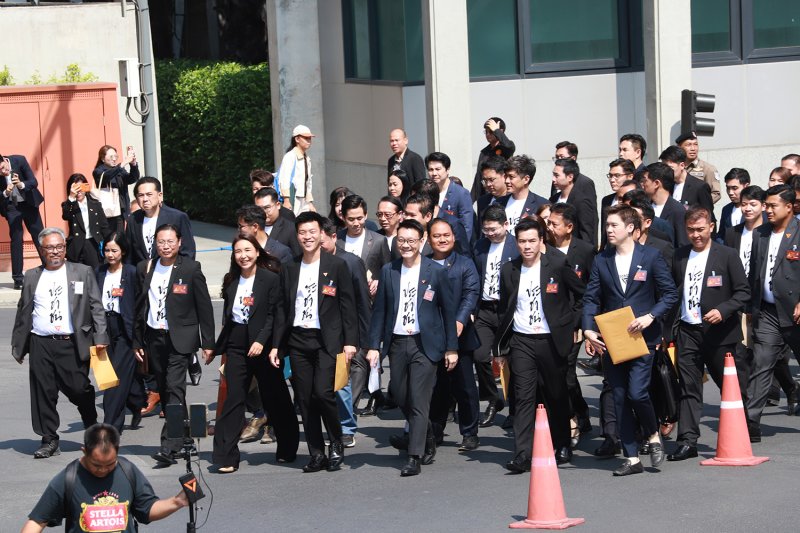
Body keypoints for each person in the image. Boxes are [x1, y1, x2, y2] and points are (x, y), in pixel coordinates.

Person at [583, 205, 678, 476]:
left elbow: (669, 294)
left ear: (631, 229)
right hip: (613, 339)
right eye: (607, 225)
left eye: (614, 225)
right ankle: (632, 458)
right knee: (621, 397)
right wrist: (589, 328)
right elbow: (591, 298)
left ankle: (652, 433)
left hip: (643, 338)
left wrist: (651, 317)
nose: (608, 230)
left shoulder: (651, 257)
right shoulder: (602, 260)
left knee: (637, 392)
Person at [366, 219, 459, 476]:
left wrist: (451, 348)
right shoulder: (389, 270)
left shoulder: (435, 272)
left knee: (418, 398)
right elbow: (380, 311)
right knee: (400, 394)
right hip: (397, 342)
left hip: (424, 344)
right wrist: (374, 345)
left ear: (422, 242)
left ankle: (414, 456)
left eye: (411, 241)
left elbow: (448, 312)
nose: (406, 245)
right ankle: (427, 431)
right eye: (401, 240)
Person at [494, 217, 585, 472]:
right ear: (516, 243)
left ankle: (562, 443)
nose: (527, 246)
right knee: (522, 397)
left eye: (532, 241)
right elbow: (504, 310)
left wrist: (573, 324)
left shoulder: (556, 264)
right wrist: (500, 348)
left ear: (541, 241)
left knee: (556, 394)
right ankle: (522, 454)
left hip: (552, 340)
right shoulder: (509, 270)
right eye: (522, 241)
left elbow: (581, 294)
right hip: (522, 341)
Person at [271, 211, 358, 473]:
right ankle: (316, 452)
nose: (307, 237)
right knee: (305, 400)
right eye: (302, 233)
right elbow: (282, 309)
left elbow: (348, 307)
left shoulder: (336, 266)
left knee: (323, 393)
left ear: (321, 234)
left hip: (327, 341)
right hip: (298, 340)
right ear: (297, 236)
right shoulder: (289, 267)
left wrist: (350, 342)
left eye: (312, 232)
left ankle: (336, 443)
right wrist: (276, 345)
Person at [11, 227, 109, 458]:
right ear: (41, 250)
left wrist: (101, 337)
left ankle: (90, 417)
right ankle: (49, 439)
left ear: (65, 248)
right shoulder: (32, 276)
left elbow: (96, 307)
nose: (55, 252)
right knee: (43, 392)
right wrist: (19, 345)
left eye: (59, 247)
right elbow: (23, 311)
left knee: (79, 388)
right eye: (49, 248)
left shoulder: (81, 272)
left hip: (71, 342)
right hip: (40, 342)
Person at [664, 206, 750, 461]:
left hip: (720, 333)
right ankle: (688, 441)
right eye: (691, 230)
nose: (696, 235)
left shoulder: (727, 255)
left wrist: (723, 310)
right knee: (689, 387)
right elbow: (672, 292)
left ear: (711, 226)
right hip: (688, 332)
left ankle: (742, 430)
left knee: (731, 387)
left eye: (701, 229)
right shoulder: (679, 256)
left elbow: (744, 292)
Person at [209, 235, 299, 473]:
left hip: (265, 344)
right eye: (238, 251)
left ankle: (288, 448)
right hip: (237, 344)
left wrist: (261, 341)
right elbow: (228, 319)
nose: (243, 256)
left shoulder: (270, 279)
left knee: (275, 397)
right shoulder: (231, 281)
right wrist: (217, 348)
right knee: (234, 399)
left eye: (248, 250)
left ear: (258, 252)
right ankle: (226, 456)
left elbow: (274, 314)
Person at [133, 224, 215, 466]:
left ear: (179, 242)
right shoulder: (145, 268)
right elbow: (139, 308)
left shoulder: (190, 268)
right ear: (154, 244)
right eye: (161, 242)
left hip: (181, 338)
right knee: (165, 389)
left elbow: (204, 307)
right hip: (154, 338)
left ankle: (170, 445)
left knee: (175, 388)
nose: (165, 246)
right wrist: (137, 340)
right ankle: (184, 434)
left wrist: (207, 342)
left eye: (170, 241)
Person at [21, 424, 188, 533]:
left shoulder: (128, 471)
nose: (102, 470)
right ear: (84, 451)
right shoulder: (68, 478)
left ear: (117, 451)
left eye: (109, 464)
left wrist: (177, 501)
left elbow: (148, 509)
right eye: (96, 464)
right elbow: (36, 521)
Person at [745, 184, 800, 441]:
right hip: (767, 312)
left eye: (772, 205)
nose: (767, 210)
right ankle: (751, 421)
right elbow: (754, 273)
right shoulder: (761, 234)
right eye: (765, 205)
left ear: (789, 207)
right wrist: (749, 307)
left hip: (796, 313)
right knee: (761, 362)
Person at [426, 218, 481, 451]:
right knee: (437, 387)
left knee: (465, 386)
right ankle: (435, 430)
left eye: (446, 235)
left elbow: (471, 294)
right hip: (431, 336)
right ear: (429, 239)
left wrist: (458, 321)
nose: (442, 239)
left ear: (454, 236)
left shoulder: (465, 264)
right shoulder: (424, 265)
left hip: (461, 335)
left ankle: (469, 432)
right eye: (437, 236)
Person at [320, 217, 372, 447]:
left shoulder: (350, 262)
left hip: (343, 334)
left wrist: (363, 337)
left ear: (333, 237)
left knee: (341, 383)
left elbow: (362, 301)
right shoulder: (308, 262)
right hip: (316, 334)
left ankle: (346, 428)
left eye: (320, 242)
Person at [546, 202, 595, 438]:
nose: (549, 228)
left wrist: (583, 325)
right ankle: (576, 412)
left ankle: (575, 416)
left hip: (574, 323)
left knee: (567, 373)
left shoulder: (585, 251)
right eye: (548, 223)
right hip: (550, 323)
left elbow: (589, 292)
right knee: (558, 374)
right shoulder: (544, 250)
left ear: (569, 227)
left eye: (554, 224)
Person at [472, 204, 519, 428]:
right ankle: (494, 399)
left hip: (508, 309)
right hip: (484, 309)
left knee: (512, 361)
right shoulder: (480, 246)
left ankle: (515, 408)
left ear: (506, 225)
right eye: (486, 230)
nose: (490, 234)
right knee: (480, 355)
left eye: (494, 229)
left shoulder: (516, 246)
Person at [95, 233, 144, 433]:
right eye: (107, 250)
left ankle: (110, 428)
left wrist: (139, 336)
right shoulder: (97, 272)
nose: (110, 254)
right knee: (108, 376)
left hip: (125, 330)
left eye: (114, 250)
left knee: (113, 382)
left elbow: (140, 305)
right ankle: (137, 400)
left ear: (123, 251)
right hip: (102, 329)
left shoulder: (131, 273)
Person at [125, 177, 196, 266]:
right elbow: (129, 256)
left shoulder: (177, 217)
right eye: (141, 195)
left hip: (171, 274)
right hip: (142, 276)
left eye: (149, 194)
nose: (145, 199)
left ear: (160, 195)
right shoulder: (133, 219)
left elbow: (188, 252)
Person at [0, 152, 44, 290]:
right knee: (16, 240)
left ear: (4, 160)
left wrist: (20, 184)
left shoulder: (19, 160)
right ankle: (18, 278)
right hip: (12, 207)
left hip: (28, 203)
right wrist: (5, 192)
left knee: (40, 237)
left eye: (2, 167)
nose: (3, 171)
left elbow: (33, 182)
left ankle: (49, 268)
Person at [337, 194, 391, 298]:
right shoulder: (337, 240)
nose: (356, 223)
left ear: (366, 215)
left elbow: (388, 271)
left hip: (370, 300)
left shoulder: (378, 241)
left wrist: (379, 282)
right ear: (343, 218)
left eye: (359, 218)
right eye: (351, 219)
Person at [61, 173, 112, 269]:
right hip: (76, 246)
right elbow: (66, 216)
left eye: (81, 187)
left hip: (93, 243)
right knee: (77, 277)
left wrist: (111, 243)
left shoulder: (95, 204)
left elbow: (104, 227)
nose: (79, 191)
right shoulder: (69, 205)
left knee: (95, 273)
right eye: (75, 187)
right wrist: (71, 197)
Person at [425, 152, 474, 242]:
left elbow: (466, 228)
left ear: (447, 169)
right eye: (431, 169)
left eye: (438, 169)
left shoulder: (461, 193)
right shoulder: (426, 193)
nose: (434, 173)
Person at [549, 158, 598, 247]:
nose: (553, 179)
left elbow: (587, 233)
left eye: (556, 175)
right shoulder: (553, 199)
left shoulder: (582, 201)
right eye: (553, 175)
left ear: (570, 177)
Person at [91, 145, 140, 233]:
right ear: (102, 159)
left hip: (121, 211)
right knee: (110, 239)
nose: (114, 159)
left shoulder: (119, 170)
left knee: (120, 239)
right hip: (108, 212)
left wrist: (133, 164)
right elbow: (107, 176)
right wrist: (123, 163)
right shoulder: (99, 171)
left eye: (116, 156)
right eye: (111, 157)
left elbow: (133, 178)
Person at [640, 162, 689, 247]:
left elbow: (682, 245)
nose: (642, 184)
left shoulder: (678, 211)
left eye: (645, 180)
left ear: (656, 183)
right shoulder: (644, 208)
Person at [498, 154, 548, 234]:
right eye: (506, 176)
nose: (506, 181)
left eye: (511, 177)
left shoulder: (541, 205)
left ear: (526, 179)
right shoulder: (498, 203)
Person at [658, 146, 714, 214]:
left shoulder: (699, 187)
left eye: (669, 167)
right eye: (663, 167)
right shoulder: (666, 186)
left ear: (682, 165)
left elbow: (708, 215)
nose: (665, 171)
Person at [471, 117, 515, 201]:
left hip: (504, 194)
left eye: (491, 131)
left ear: (500, 131)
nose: (487, 134)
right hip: (486, 196)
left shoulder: (506, 148)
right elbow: (479, 177)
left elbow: (509, 146)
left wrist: (496, 130)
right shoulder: (484, 152)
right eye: (486, 132)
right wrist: (471, 200)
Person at [276, 125, 317, 215]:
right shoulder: (290, 156)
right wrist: (286, 200)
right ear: (297, 139)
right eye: (306, 138)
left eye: (310, 138)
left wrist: (309, 202)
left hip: (303, 200)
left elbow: (308, 181)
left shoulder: (307, 158)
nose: (309, 141)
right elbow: (284, 178)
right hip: (293, 198)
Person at [676, 131, 722, 204]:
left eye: (696, 144)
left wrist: (699, 206)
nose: (693, 148)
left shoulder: (708, 168)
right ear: (679, 147)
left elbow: (716, 194)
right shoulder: (676, 168)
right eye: (688, 145)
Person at [255, 187, 302, 257]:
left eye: (267, 208)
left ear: (278, 205)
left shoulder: (291, 229)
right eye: (259, 209)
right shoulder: (252, 227)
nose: (263, 212)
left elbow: (297, 257)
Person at [600, 159, 636, 249]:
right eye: (610, 176)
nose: (612, 180)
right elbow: (604, 231)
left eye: (617, 176)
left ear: (630, 176)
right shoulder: (606, 200)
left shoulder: (637, 199)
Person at [716, 168, 751, 240]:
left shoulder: (757, 208)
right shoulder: (726, 209)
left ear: (746, 186)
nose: (730, 192)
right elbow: (721, 235)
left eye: (734, 188)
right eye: (728, 188)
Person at [476, 155, 509, 228]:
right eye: (485, 180)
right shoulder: (482, 201)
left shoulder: (513, 199)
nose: (488, 184)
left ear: (504, 176)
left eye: (491, 180)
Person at [375, 195, 404, 260]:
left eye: (387, 215)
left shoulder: (407, 237)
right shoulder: (375, 238)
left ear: (399, 214)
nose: (383, 218)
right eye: (380, 214)